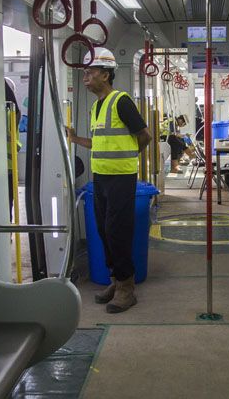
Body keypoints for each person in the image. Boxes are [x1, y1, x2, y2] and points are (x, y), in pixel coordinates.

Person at [66, 47, 152, 313]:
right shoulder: (96, 107)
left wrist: (127, 158)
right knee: (104, 231)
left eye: (90, 72)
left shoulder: (121, 101)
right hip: (101, 178)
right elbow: (100, 142)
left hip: (121, 178)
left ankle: (127, 288)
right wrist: (74, 138)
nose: (85, 77)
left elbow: (145, 135)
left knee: (117, 232)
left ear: (105, 74)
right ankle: (116, 280)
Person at [5, 78, 22, 220]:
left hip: (6, 168)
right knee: (7, 202)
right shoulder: (10, 114)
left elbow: (15, 144)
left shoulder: (9, 114)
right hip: (9, 167)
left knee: (6, 202)